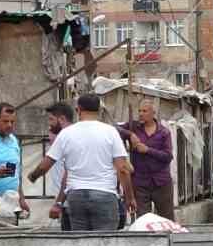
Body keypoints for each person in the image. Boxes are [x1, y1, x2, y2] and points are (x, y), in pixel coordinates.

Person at [27, 94, 136, 231]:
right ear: (99, 110)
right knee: (105, 245)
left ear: (78, 110)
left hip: (76, 197)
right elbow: (123, 168)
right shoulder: (110, 132)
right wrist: (129, 197)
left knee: (80, 243)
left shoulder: (67, 133)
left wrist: (33, 176)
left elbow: (46, 165)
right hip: (104, 195)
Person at [121, 101, 174, 221]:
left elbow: (168, 156)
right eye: (139, 111)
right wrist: (130, 134)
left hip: (161, 183)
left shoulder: (164, 132)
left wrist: (148, 150)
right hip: (140, 183)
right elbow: (114, 128)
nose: (140, 114)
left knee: (166, 219)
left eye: (144, 111)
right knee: (143, 220)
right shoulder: (133, 127)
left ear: (153, 113)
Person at [0, 102, 27, 214]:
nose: (9, 125)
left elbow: (18, 173)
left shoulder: (14, 140)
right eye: (5, 121)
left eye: (12, 122)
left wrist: (22, 199)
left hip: (12, 204)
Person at [42, 102, 75, 228]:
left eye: (51, 119)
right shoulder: (59, 140)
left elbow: (68, 175)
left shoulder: (71, 140)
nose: (49, 124)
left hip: (70, 201)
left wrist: (59, 202)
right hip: (63, 202)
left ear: (62, 119)